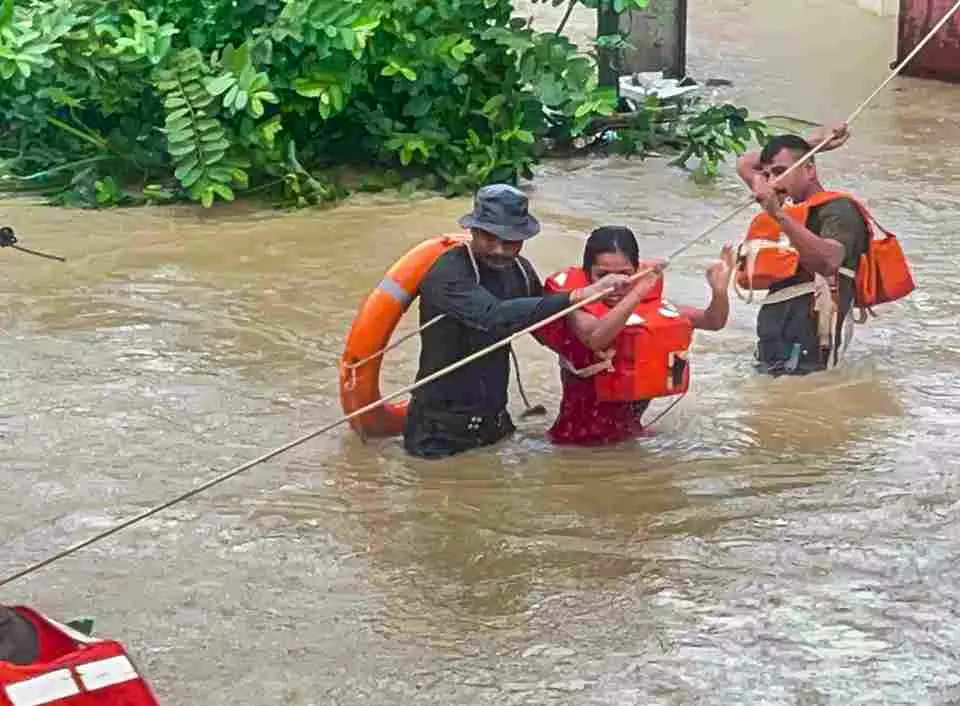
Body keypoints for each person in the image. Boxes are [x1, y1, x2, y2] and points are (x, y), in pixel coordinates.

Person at [403, 184, 629, 459]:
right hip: (438, 433)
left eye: (510, 241)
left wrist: (588, 353)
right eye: (489, 238)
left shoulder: (521, 271)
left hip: (495, 424)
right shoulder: (449, 274)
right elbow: (494, 316)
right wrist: (580, 294)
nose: (499, 250)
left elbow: (545, 324)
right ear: (472, 231)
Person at [536, 226, 734, 445]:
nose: (616, 284)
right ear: (586, 273)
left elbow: (712, 321)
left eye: (625, 275)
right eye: (603, 275)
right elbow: (595, 338)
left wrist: (719, 291)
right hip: (575, 445)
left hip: (630, 436)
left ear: (637, 270)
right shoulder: (578, 308)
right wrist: (637, 291)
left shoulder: (646, 306)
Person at [735, 124, 872, 375]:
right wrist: (809, 144)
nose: (772, 181)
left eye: (780, 171)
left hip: (810, 346)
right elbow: (745, 163)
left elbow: (828, 261)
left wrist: (776, 214)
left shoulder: (839, 209)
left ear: (809, 169)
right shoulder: (788, 210)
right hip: (773, 342)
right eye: (768, 175)